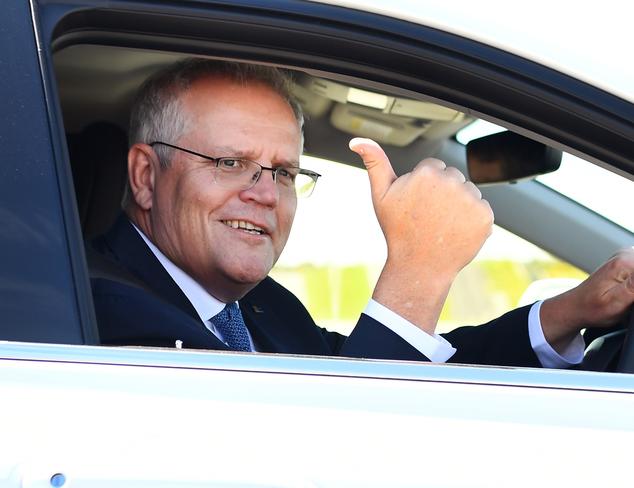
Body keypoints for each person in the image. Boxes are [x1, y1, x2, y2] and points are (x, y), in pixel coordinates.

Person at [89, 58, 634, 367]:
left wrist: (573, 309)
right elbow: (329, 456)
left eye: (283, 171)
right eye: (231, 162)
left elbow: (362, 368)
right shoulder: (100, 312)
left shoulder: (257, 308)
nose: (265, 192)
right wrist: (417, 270)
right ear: (145, 176)